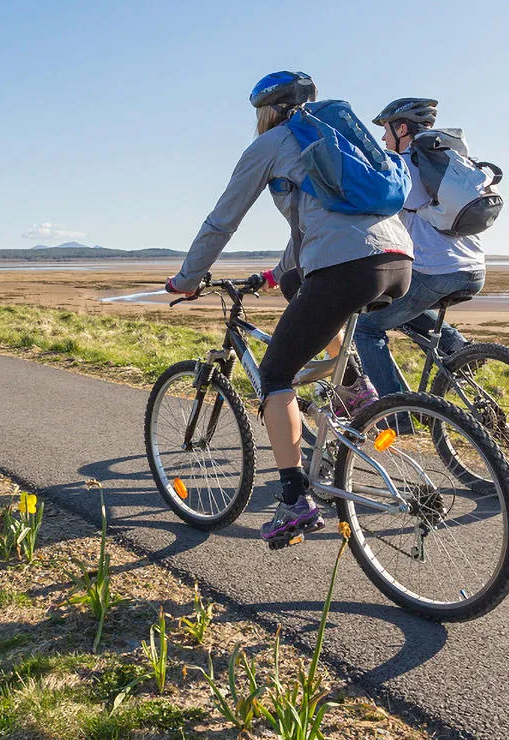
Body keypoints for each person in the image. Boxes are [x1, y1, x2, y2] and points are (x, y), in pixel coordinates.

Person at [164, 71, 413, 546]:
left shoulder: (273, 142)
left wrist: (189, 278)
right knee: (300, 285)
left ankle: (295, 500)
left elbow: (222, 220)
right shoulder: (341, 140)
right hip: (397, 262)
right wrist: (275, 275)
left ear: (266, 111)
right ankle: (352, 388)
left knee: (276, 374)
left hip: (347, 267)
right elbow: (315, 223)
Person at [352, 97, 486, 399]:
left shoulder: (407, 164)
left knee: (366, 328)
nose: (383, 139)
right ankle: (458, 347)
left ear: (402, 129)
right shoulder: (448, 163)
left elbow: (381, 211)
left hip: (436, 271)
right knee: (396, 305)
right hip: (473, 268)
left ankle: (395, 412)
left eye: (386, 131)